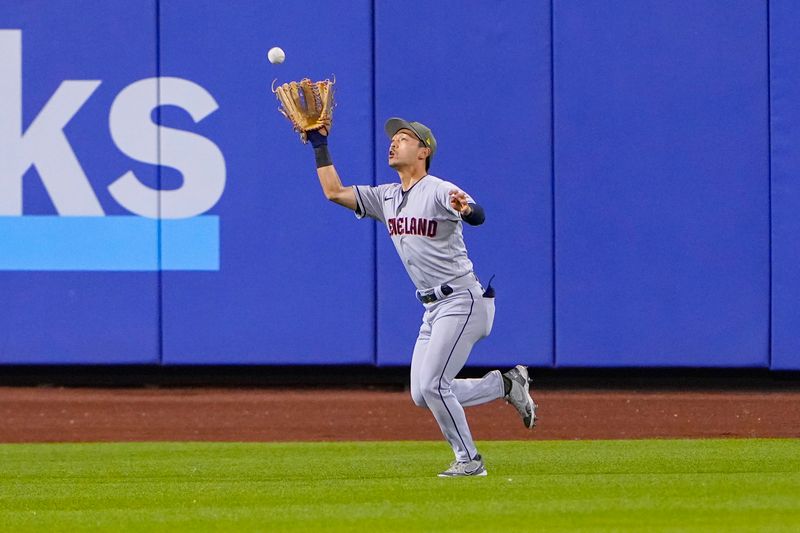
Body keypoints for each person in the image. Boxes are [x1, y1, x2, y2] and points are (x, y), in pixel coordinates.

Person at [305, 118, 537, 477]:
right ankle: (505, 384)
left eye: (403, 138)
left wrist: (466, 209)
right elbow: (334, 192)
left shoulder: (439, 189)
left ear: (424, 151)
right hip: (432, 308)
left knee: (433, 385)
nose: (393, 144)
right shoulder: (386, 197)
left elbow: (478, 214)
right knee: (421, 393)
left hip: (462, 300)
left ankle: (469, 461)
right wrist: (319, 145)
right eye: (393, 139)